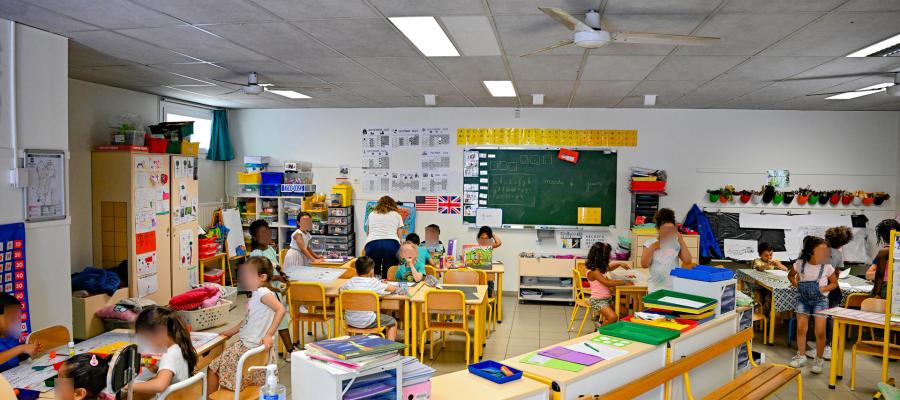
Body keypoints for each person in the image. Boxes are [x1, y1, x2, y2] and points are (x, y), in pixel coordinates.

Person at [208, 256, 285, 393]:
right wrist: (232, 331)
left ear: (262, 277)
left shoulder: (262, 292)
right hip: (252, 346)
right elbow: (248, 319)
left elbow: (280, 309)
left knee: (213, 368)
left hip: (248, 346)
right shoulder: (256, 294)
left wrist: (269, 334)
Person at [788, 236, 837, 374]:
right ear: (811, 251)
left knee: (820, 332)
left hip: (820, 301)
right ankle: (801, 356)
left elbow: (834, 283)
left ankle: (819, 359)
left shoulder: (826, 266)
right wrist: (797, 285)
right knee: (801, 329)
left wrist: (823, 289)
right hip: (802, 300)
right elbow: (791, 275)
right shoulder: (800, 264)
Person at [248, 219, 295, 360]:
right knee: (279, 321)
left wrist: (282, 276)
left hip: (274, 291)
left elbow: (276, 266)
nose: (267, 236)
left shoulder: (269, 249)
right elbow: (260, 277)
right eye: (262, 233)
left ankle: (288, 350)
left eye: (268, 232)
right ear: (255, 237)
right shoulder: (255, 255)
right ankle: (290, 351)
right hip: (265, 293)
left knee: (281, 321)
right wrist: (277, 278)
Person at [132, 306, 198, 398]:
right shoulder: (178, 347)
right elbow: (172, 373)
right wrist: (156, 369)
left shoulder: (169, 355)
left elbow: (160, 385)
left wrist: (129, 386)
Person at [814, 226, 853, 360]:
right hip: (833, 289)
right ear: (842, 243)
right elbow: (836, 274)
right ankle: (828, 345)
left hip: (821, 288)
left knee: (819, 317)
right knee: (830, 317)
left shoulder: (820, 251)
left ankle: (821, 345)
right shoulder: (838, 254)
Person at [340, 257, 399, 341]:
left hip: (350, 320)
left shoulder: (349, 282)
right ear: (371, 271)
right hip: (367, 321)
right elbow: (392, 289)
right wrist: (385, 284)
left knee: (370, 313)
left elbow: (340, 290)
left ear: (356, 270)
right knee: (392, 322)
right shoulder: (373, 282)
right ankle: (389, 346)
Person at [641, 208, 693, 293]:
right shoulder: (649, 243)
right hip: (655, 288)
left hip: (673, 288)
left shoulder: (675, 243)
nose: (668, 232)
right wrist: (652, 248)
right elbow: (644, 264)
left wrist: (681, 240)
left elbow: (687, 260)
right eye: (665, 229)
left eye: (671, 229)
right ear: (658, 229)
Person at [584, 243, 633, 328]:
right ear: (601, 258)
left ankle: (605, 325)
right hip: (598, 300)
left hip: (607, 299)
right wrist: (624, 282)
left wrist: (619, 264)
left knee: (624, 312)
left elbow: (609, 268)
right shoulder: (594, 271)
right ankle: (600, 330)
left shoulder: (599, 268)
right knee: (613, 317)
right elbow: (607, 283)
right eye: (608, 256)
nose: (609, 257)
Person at [364, 196, 404, 277]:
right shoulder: (397, 215)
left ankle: (374, 284)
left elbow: (368, 233)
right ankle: (388, 283)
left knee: (373, 271)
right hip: (391, 244)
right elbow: (399, 233)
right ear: (393, 204)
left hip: (373, 243)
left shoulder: (372, 214)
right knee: (390, 271)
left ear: (379, 204)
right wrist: (401, 244)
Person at [0, 292, 40, 372]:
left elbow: (12, 357)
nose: (16, 321)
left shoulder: (11, 336)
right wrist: (22, 348)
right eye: (11, 317)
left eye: (18, 317)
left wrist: (28, 351)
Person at [866, 219, 900, 299]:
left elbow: (880, 275)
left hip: (887, 287)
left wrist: (876, 294)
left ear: (883, 236)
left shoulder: (885, 251)